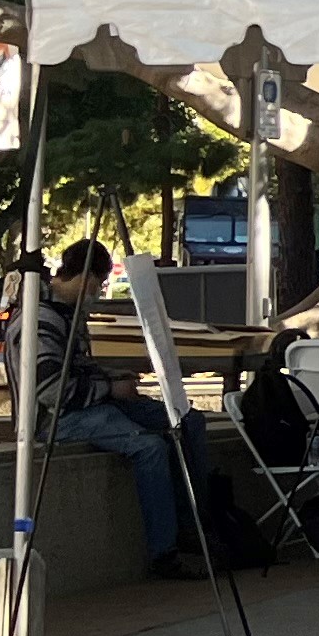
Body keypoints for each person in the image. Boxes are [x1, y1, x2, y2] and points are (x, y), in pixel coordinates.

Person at [29, 239, 217, 580]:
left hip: (88, 400)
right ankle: (165, 551)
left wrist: (113, 377)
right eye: (99, 286)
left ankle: (196, 525)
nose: (99, 294)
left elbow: (77, 368)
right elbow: (49, 390)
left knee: (187, 420)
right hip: (57, 418)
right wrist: (110, 388)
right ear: (87, 282)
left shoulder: (67, 314)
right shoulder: (42, 320)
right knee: (150, 447)